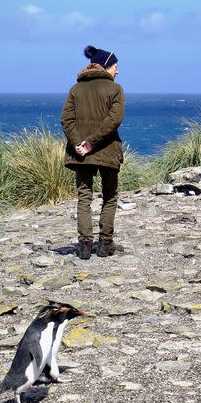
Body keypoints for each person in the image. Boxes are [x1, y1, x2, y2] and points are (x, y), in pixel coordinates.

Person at [61, 45, 124, 260]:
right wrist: (90, 143)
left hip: (80, 154)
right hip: (106, 150)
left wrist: (81, 144)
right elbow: (114, 121)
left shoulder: (75, 89)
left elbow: (66, 120)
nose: (117, 71)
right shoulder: (115, 89)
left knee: (84, 197)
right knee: (109, 196)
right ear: (106, 66)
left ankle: (85, 245)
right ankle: (105, 244)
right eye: (115, 66)